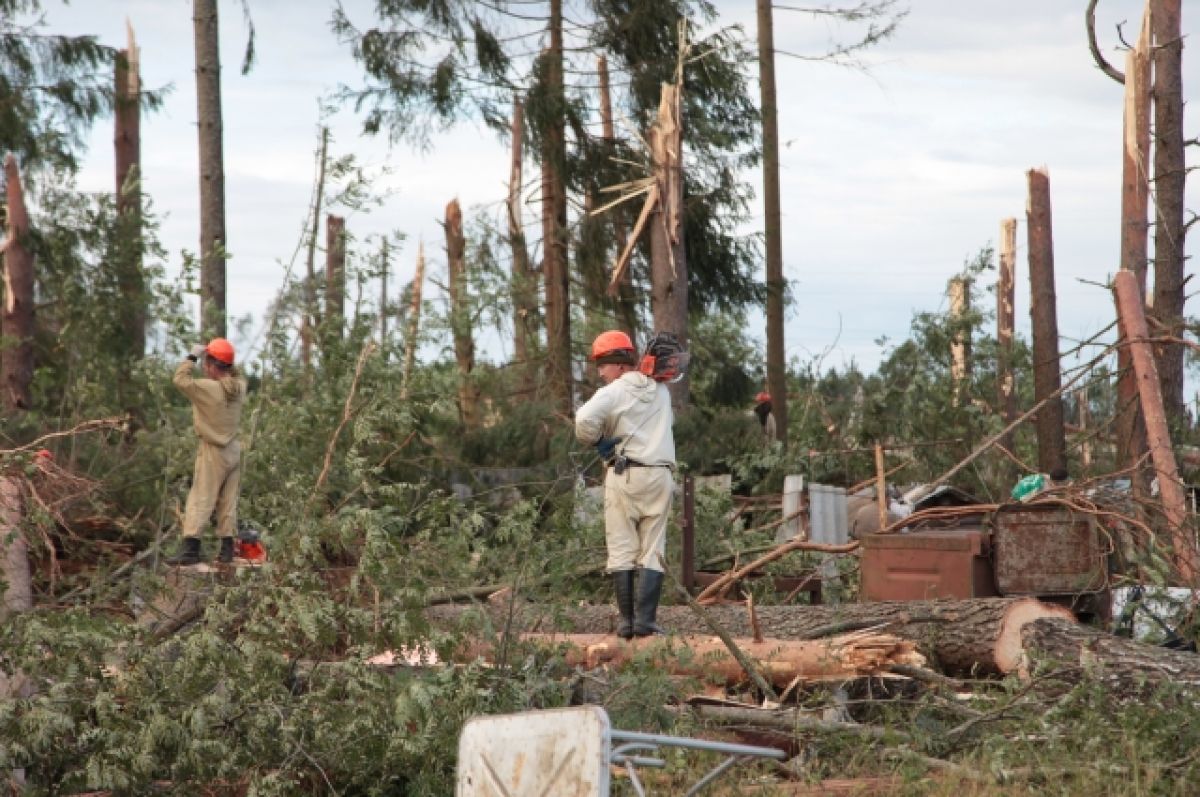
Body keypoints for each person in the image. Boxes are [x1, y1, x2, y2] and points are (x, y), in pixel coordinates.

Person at [575, 330, 677, 639]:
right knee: (652, 548)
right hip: (660, 474)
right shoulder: (661, 391)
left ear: (618, 364)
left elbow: (582, 421)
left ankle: (626, 623)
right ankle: (645, 622)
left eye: (602, 365)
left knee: (621, 547)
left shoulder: (614, 392)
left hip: (625, 473)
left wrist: (598, 441)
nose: (600, 372)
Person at [166, 338, 247, 566]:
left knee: (202, 497)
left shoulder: (208, 388)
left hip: (213, 450)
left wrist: (192, 356)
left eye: (206, 363)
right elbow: (234, 372)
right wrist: (222, 356)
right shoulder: (240, 387)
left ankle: (190, 549)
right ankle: (227, 550)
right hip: (233, 449)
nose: (203, 367)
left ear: (212, 365)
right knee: (228, 501)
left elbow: (180, 379)